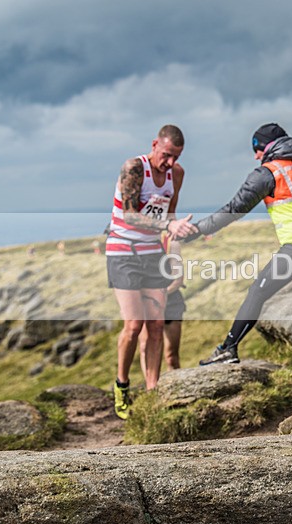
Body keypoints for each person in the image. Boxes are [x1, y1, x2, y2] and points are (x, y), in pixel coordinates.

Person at [193, 123, 292, 365]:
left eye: (257, 149)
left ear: (266, 148)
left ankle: (228, 348)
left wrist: (199, 229)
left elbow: (234, 208)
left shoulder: (268, 172)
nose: (255, 156)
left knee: (258, 291)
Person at [105, 124, 198, 420]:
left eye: (176, 157)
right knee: (134, 326)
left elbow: (170, 217)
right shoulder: (134, 168)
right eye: (167, 155)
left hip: (152, 254)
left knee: (156, 327)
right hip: (123, 253)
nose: (169, 162)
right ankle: (122, 386)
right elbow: (132, 215)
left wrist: (176, 245)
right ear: (155, 144)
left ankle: (152, 391)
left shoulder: (177, 174)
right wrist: (168, 226)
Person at [138, 234, 185, 373]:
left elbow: (178, 279)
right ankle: (151, 391)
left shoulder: (171, 243)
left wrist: (160, 295)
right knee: (145, 348)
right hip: (145, 302)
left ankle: (175, 386)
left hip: (171, 301)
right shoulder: (132, 243)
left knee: (171, 356)